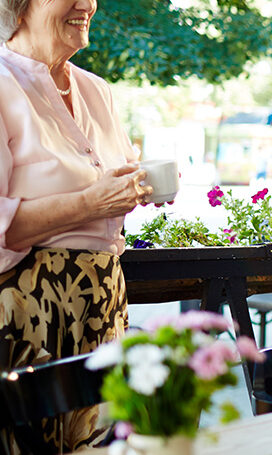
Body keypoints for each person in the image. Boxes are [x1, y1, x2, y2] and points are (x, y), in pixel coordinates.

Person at [0, 0, 153, 452]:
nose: (87, 3)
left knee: (108, 447)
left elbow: (114, 182)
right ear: (20, 4)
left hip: (103, 302)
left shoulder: (96, 90)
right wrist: (90, 202)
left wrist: (137, 187)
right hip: (29, 315)